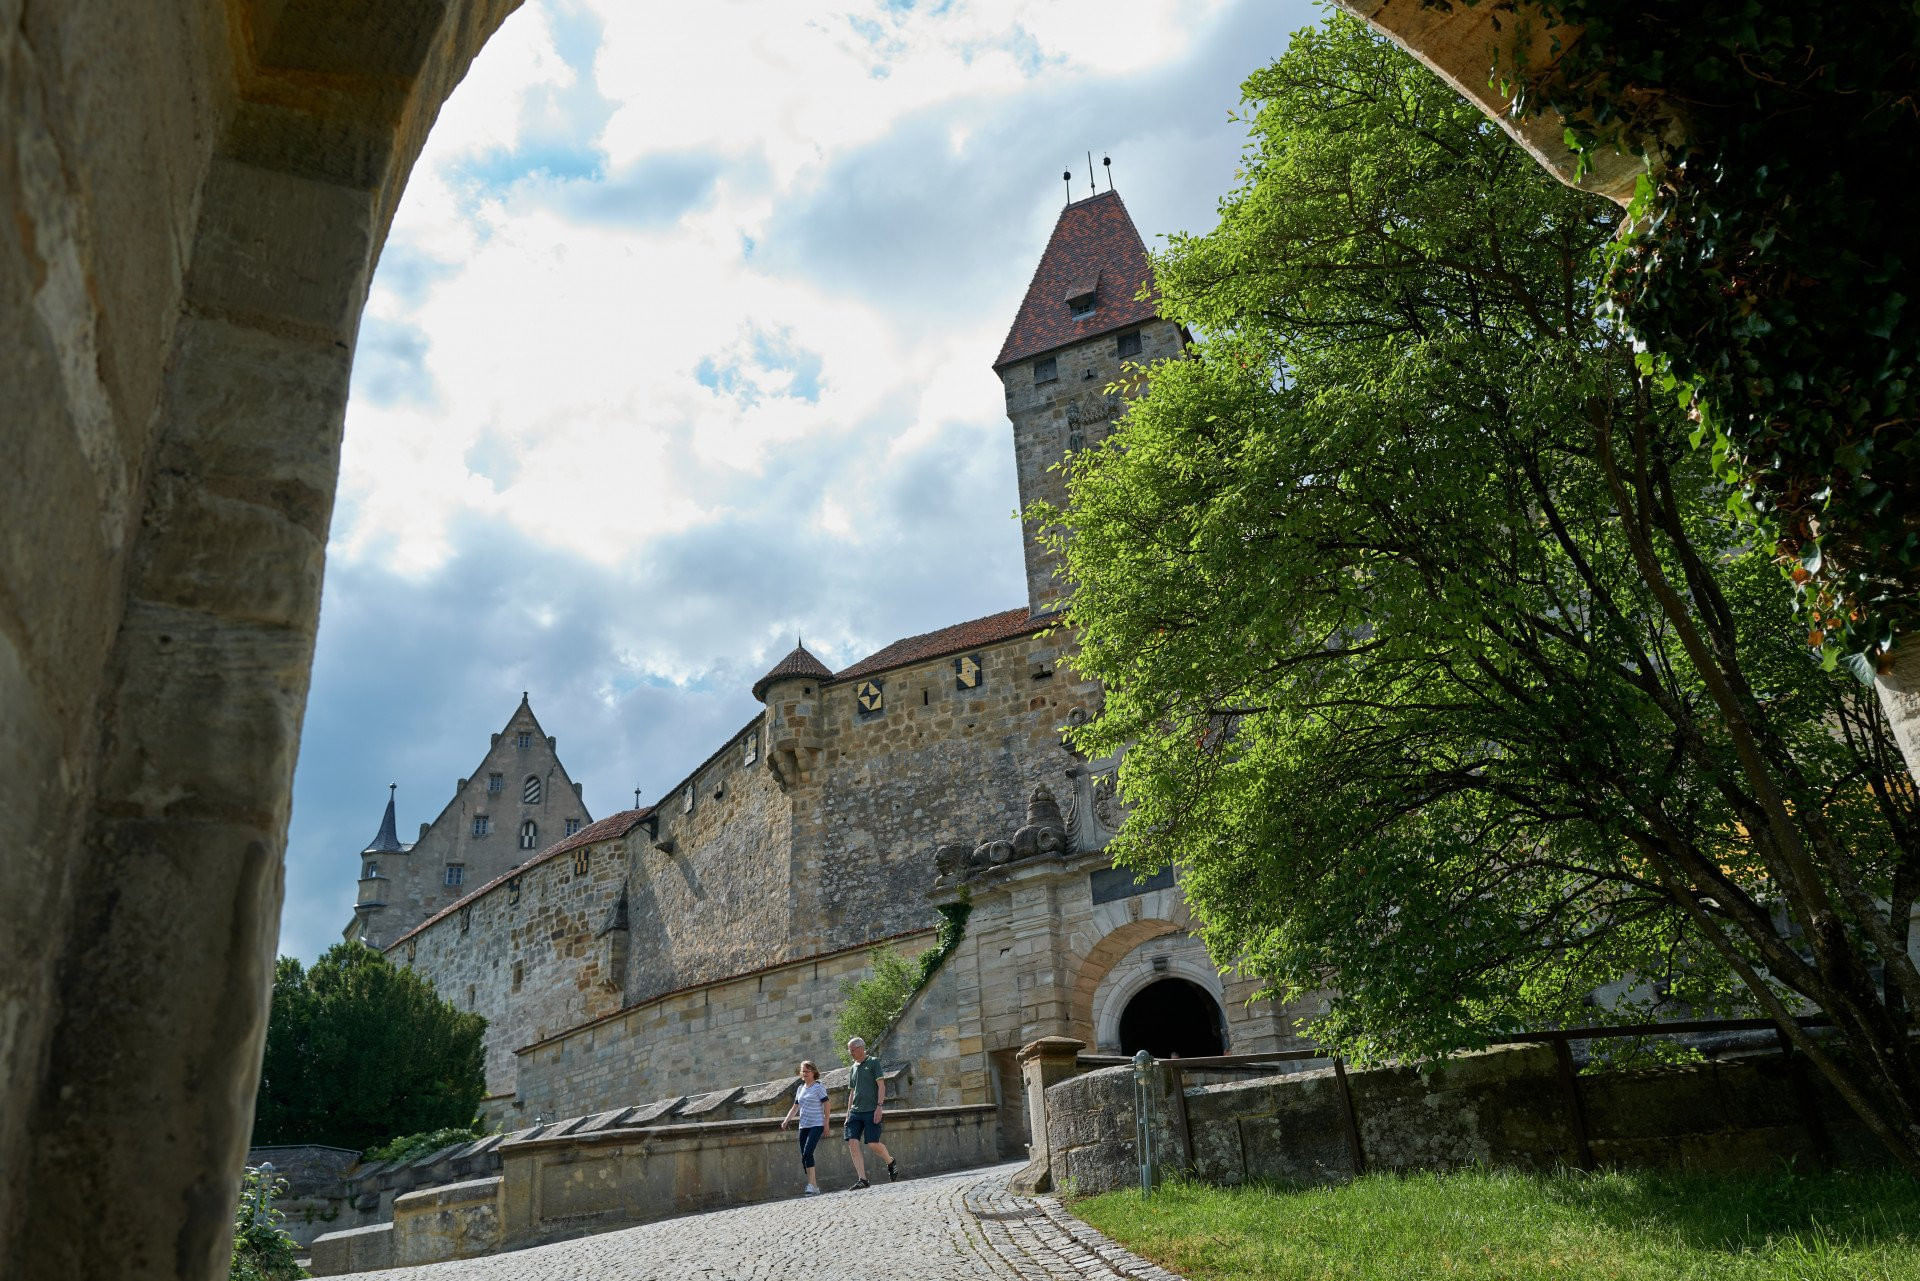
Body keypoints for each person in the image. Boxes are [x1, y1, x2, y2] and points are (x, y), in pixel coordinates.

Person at [841, 1036, 898, 1188]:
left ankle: (890, 1161)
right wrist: (847, 1114)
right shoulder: (853, 1068)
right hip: (855, 1112)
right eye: (850, 1051)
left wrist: (879, 1106)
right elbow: (852, 1093)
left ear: (860, 1048)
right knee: (852, 1143)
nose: (850, 1053)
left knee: (873, 1143)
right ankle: (863, 1179)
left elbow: (881, 1086)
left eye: (852, 1050)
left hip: (871, 1110)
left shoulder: (873, 1062)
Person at [778, 1059, 830, 1195]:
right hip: (804, 1125)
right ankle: (814, 1186)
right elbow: (795, 1107)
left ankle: (811, 1185)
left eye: (807, 1071)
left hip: (817, 1124)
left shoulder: (818, 1087)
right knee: (804, 1156)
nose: (805, 1073)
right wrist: (786, 1120)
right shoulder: (800, 1088)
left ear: (813, 1072)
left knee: (807, 1153)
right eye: (803, 1071)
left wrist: (826, 1122)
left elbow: (827, 1105)